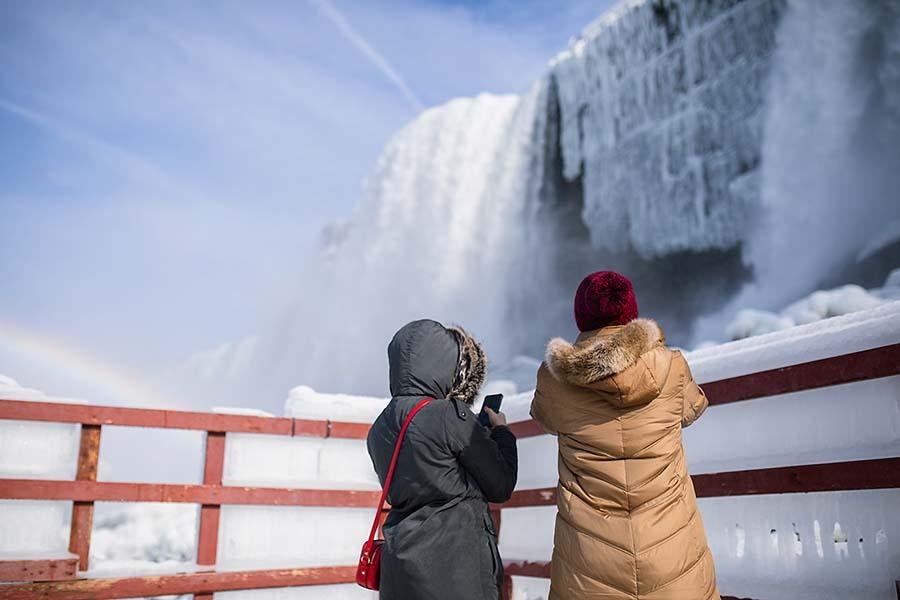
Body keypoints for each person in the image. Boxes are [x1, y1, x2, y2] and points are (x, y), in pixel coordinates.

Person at [530, 271, 720, 600]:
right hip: (671, 551)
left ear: (580, 315)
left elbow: (545, 420)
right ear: (631, 311)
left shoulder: (553, 380)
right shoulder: (672, 366)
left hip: (589, 564)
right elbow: (693, 408)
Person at [367, 319, 518, 600]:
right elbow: (501, 484)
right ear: (443, 362)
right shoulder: (449, 415)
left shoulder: (378, 428)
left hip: (401, 569)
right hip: (455, 570)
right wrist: (501, 433)